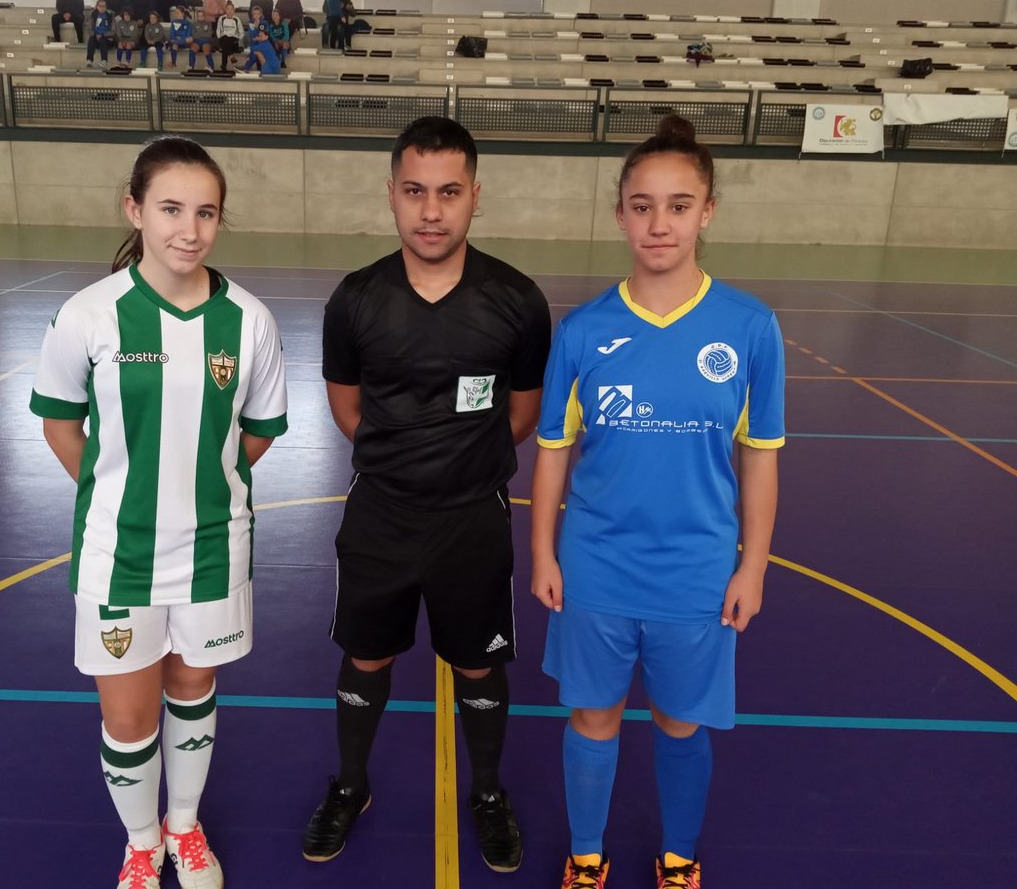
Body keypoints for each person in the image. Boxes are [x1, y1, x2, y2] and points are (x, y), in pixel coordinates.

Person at [529, 114, 785, 889]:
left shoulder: (749, 328)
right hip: (596, 568)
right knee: (593, 719)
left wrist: (754, 568)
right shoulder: (582, 332)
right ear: (619, 214)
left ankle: (679, 857)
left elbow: (762, 462)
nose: (659, 222)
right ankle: (585, 855)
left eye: (679, 204)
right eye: (642, 205)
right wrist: (542, 552)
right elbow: (551, 457)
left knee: (681, 722)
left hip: (697, 573)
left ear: (707, 211)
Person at [30, 135, 288, 889]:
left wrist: (205, 492)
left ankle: (184, 829)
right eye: (171, 208)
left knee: (194, 690)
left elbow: (260, 433)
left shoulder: (249, 322)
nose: (189, 229)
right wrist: (117, 497)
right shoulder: (88, 316)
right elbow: (59, 425)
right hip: (119, 555)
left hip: (213, 551)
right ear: (133, 208)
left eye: (206, 212)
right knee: (130, 719)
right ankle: (141, 842)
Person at [303, 116, 550, 873]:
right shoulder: (355, 300)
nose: (432, 210)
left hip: (471, 521)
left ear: (476, 195)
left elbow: (523, 414)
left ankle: (486, 793)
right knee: (366, 656)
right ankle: (350, 785)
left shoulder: (516, 301)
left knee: (478, 665)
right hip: (380, 517)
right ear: (392, 196)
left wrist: (457, 466)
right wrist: (404, 463)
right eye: (415, 191)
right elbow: (347, 407)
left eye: (448, 192)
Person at [241, 6, 279, 74]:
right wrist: (255, 28)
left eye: (258, 14)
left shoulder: (264, 22)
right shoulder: (250, 23)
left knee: (256, 53)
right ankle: (246, 69)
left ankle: (248, 68)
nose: (256, 16)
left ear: (261, 14)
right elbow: (251, 35)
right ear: (252, 15)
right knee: (253, 53)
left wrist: (258, 27)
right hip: (254, 44)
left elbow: (264, 35)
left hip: (262, 44)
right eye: (254, 14)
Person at [213, 0, 241, 72]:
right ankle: (231, 57)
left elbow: (241, 33)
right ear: (225, 10)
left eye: (231, 9)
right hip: (223, 39)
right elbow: (218, 30)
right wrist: (219, 37)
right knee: (225, 39)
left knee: (225, 44)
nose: (230, 11)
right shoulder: (221, 18)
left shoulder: (237, 19)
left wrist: (238, 38)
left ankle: (224, 66)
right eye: (228, 9)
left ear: (234, 10)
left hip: (233, 40)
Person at [86, 0, 115, 67]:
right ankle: (89, 60)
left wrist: (102, 35)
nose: (102, 8)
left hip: (108, 39)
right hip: (96, 37)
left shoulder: (110, 15)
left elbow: (113, 31)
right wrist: (96, 35)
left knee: (102, 40)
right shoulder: (93, 15)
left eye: (104, 6)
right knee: (91, 40)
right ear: (97, 7)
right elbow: (89, 29)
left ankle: (104, 61)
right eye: (100, 6)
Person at [166, 5, 192, 69]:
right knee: (174, 44)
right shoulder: (173, 22)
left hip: (185, 42)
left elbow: (188, 35)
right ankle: (173, 63)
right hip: (176, 42)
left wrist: (180, 38)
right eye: (175, 13)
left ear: (182, 13)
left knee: (189, 39)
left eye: (177, 13)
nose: (176, 14)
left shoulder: (188, 23)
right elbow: (172, 34)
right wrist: (176, 39)